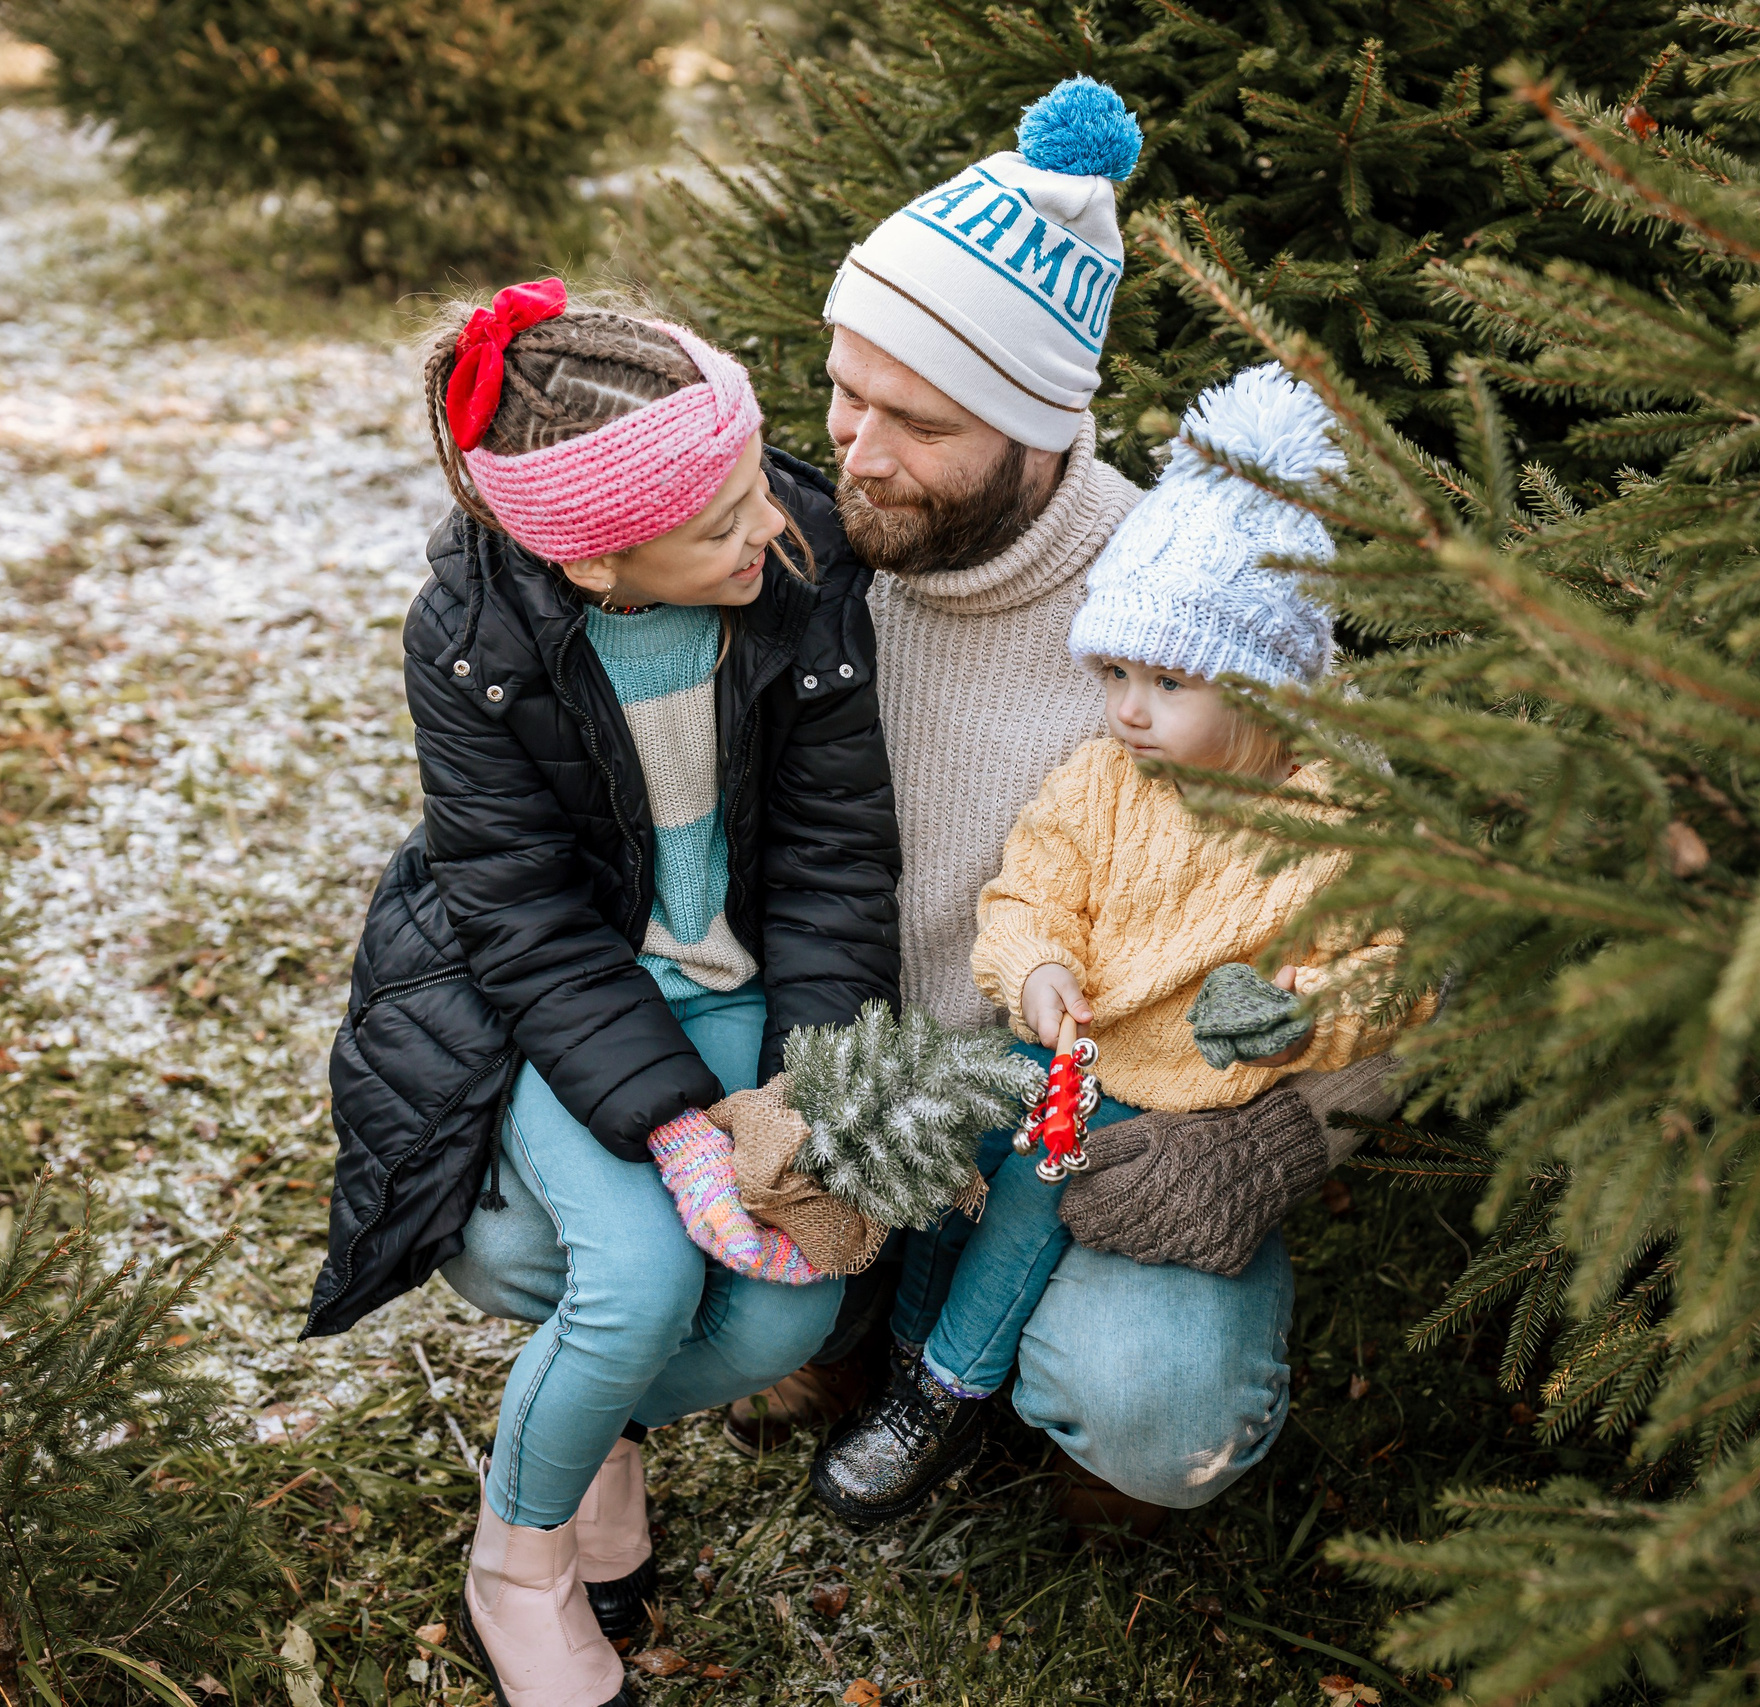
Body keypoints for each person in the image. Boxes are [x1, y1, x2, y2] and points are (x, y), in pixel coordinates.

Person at [732, 78, 1409, 1527]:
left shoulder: (1193, 608)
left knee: (1156, 1396)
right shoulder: (778, 557)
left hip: (1096, 1110)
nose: (853, 446)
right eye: (843, 388)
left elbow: (1388, 912)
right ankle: (844, 1334)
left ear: (1044, 431)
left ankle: (1062, 1410)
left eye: (913, 418)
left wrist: (1282, 1136)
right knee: (581, 1234)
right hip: (854, 1076)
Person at [809, 367, 1434, 1524]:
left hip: (1168, 1111)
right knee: (939, 1142)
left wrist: (1302, 1012)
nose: (1128, 710)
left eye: (1168, 682)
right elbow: (1028, 891)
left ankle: (945, 1389)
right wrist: (1037, 970)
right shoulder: (1105, 780)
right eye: (1113, 674)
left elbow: (1391, 974)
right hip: (1051, 1052)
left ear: (1271, 688)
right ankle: (879, 1341)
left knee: (1039, 1190)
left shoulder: (1335, 820)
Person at [406, 280, 899, 1707]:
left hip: (741, 989)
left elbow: (833, 854)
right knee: (633, 1281)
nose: (771, 527)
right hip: (579, 1006)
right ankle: (519, 1556)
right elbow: (523, 912)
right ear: (602, 565)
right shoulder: (474, 643)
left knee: (788, 1304)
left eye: (756, 481)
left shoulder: (792, 581)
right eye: (717, 524)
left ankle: (586, 1429)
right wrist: (674, 1126)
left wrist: (806, 1085)